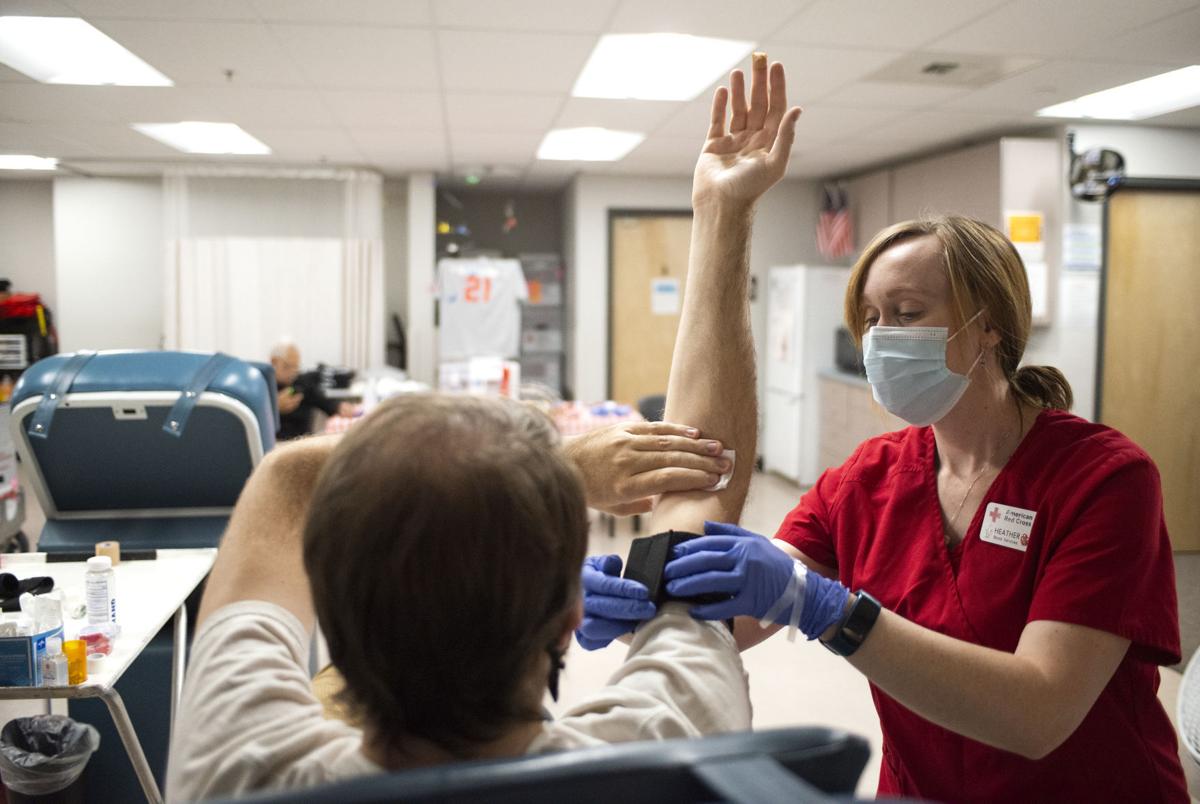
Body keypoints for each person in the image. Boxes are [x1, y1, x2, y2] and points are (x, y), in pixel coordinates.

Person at [165, 53, 800, 801]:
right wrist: (723, 211)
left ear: (329, 620)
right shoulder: (665, 751)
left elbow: (282, 482)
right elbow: (698, 474)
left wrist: (554, 467)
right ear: (571, 618)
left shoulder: (239, 769)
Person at [584, 214, 1189, 801]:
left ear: (991, 325)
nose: (881, 337)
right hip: (919, 790)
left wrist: (833, 611)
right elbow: (734, 620)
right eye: (869, 319)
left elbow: (1039, 713)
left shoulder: (1104, 479)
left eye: (907, 313)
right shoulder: (869, 479)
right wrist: (635, 603)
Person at [270, 340, 357, 440]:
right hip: (275, 445)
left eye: (296, 367)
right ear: (274, 361)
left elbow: (324, 401)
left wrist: (339, 406)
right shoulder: (263, 386)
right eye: (287, 366)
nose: (292, 373)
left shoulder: (302, 382)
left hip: (302, 442)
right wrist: (275, 408)